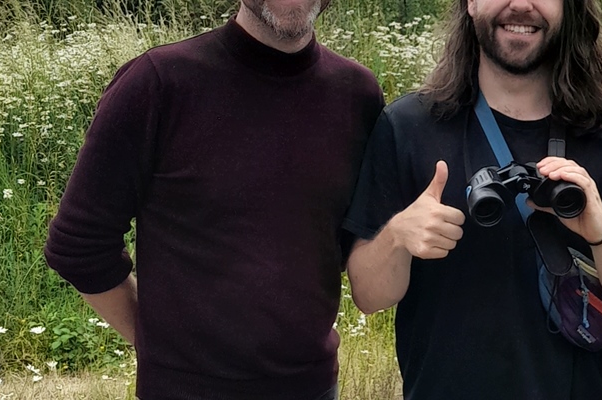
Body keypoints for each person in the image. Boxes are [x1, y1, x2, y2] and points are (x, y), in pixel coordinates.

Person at [42, 0, 383, 398]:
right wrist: (162, 346)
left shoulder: (357, 95)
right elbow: (78, 247)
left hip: (313, 388)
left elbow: (345, 246)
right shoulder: (158, 84)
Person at [341, 0, 602, 398]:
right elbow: (368, 294)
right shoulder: (410, 126)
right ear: (470, 4)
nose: (520, 6)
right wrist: (397, 236)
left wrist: (601, 234)